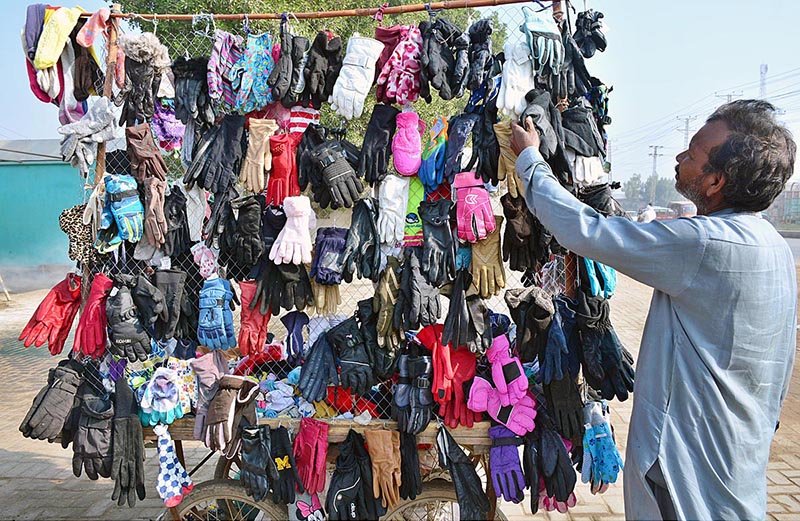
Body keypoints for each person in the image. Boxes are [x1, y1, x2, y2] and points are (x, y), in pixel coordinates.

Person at [510, 99, 796, 520]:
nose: (680, 157)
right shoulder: (774, 247)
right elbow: (782, 365)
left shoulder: (704, 244)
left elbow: (588, 232)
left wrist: (531, 161)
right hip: (738, 464)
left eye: (693, 153)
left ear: (716, 180)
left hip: (684, 476)